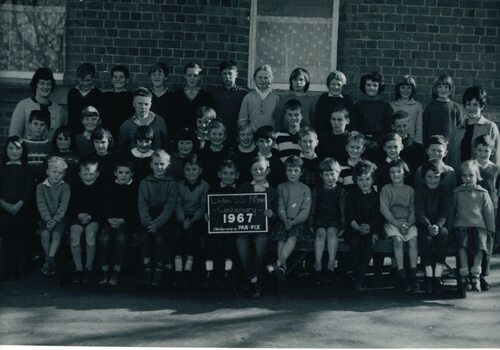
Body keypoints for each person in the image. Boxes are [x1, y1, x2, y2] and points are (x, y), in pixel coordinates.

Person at [451, 160, 495, 297]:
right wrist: (450, 227)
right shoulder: (457, 193)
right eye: (464, 176)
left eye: (471, 175)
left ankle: (475, 274)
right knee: (462, 245)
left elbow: (489, 213)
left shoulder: (483, 193)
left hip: (478, 225)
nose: (468, 178)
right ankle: (464, 273)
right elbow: (451, 212)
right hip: (461, 225)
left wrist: (490, 230)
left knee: (480, 245)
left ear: (477, 176)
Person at [236, 156, 277, 297]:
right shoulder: (244, 187)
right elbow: (235, 207)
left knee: (261, 243)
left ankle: (252, 280)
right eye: (255, 169)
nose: (258, 172)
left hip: (263, 230)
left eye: (261, 169)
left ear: (268, 171)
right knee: (241, 243)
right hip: (245, 228)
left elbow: (277, 214)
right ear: (250, 171)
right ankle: (255, 280)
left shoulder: (272, 190)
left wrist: (271, 214)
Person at [267, 156, 311, 283]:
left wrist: (294, 221)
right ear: (285, 172)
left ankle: (278, 264)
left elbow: (305, 209)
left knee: (292, 237)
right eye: (289, 170)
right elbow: (279, 205)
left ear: (301, 172)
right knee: (281, 238)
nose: (292, 173)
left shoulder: (305, 189)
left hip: (299, 222)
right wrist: (285, 219)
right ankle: (282, 268)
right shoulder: (281, 187)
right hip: (283, 220)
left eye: (296, 170)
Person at [138, 149, 178, 287]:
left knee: (161, 238)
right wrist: (148, 222)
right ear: (151, 164)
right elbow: (142, 204)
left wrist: (158, 223)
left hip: (164, 219)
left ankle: (159, 271)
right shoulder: (145, 182)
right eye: (156, 164)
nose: (159, 167)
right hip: (149, 218)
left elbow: (170, 206)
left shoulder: (171, 183)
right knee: (145, 237)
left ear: (168, 164)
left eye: (162, 164)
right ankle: (147, 270)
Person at [380, 159, 419, 293]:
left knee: (413, 240)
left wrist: (408, 223)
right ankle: (402, 275)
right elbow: (385, 210)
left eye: (398, 171)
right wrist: (397, 224)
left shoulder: (410, 190)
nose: (395, 174)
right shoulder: (386, 189)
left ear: (404, 173)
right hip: (392, 223)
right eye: (392, 172)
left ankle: (413, 276)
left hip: (408, 223)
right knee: (397, 241)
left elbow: (414, 209)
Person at [99, 159, 139, 286]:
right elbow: (104, 206)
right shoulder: (110, 186)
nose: (123, 175)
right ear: (115, 173)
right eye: (120, 172)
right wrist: (109, 218)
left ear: (132, 173)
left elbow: (136, 208)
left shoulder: (135, 188)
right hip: (110, 221)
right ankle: (104, 271)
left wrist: (123, 220)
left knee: (121, 238)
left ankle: (116, 271)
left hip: (127, 222)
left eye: (127, 173)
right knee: (105, 238)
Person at [415, 160, 452, 294]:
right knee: (426, 239)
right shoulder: (420, 191)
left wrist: (438, 225)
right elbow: (419, 212)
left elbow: (445, 212)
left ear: (441, 177)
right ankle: (428, 276)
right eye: (429, 177)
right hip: (424, 224)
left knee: (443, 234)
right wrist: (429, 226)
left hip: (439, 223)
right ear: (424, 176)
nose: (432, 180)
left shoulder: (445, 191)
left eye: (436, 177)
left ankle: (438, 275)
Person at [173, 154, 209, 287]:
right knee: (177, 233)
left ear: (200, 170)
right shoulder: (179, 185)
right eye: (187, 169)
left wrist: (192, 220)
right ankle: (178, 268)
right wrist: (183, 220)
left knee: (192, 234)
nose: (190, 172)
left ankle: (188, 268)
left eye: (194, 169)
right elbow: (178, 204)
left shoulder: (205, 186)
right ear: (183, 170)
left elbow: (203, 206)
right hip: (182, 217)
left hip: (196, 218)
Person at [346, 160, 382, 292]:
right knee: (354, 243)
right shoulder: (352, 195)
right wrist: (358, 227)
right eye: (361, 179)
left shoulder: (377, 196)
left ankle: (359, 276)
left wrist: (369, 227)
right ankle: (357, 272)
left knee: (370, 243)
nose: (364, 182)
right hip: (355, 228)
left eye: (367, 179)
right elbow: (349, 216)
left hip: (372, 229)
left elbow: (379, 215)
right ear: (356, 180)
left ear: (373, 179)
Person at [0, 136, 33, 281]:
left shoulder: (26, 168)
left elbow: (29, 189)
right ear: (5, 150)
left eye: (17, 148)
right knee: (6, 241)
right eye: (10, 148)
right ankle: (6, 269)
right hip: (3, 210)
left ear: (23, 150)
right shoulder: (2, 168)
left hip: (21, 210)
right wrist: (3, 204)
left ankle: (16, 269)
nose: (14, 151)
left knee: (19, 241)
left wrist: (19, 204)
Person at [204, 159, 239, 289]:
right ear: (219, 174)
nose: (228, 176)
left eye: (231, 173)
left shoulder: (241, 191)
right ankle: (209, 271)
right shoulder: (213, 190)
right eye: (225, 173)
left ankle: (228, 271)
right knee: (209, 239)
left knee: (230, 241)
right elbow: (209, 208)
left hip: (233, 228)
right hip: (216, 227)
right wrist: (207, 216)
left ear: (237, 175)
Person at [447, 86, 500, 171]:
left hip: (482, 179)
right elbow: (449, 159)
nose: (471, 108)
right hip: (458, 179)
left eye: (475, 104)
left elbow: (496, 158)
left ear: (482, 106)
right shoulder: (457, 130)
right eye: (468, 104)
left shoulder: (490, 127)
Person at [311, 158, 345, 286]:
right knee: (320, 233)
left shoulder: (340, 191)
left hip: (334, 220)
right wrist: (310, 224)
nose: (330, 177)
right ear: (321, 175)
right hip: (320, 219)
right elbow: (313, 209)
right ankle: (318, 266)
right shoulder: (317, 190)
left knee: (331, 232)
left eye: (333, 174)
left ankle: (331, 265)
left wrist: (343, 226)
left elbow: (342, 210)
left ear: (338, 174)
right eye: (326, 174)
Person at [472, 135, 500, 291]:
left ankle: (482, 275)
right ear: (475, 150)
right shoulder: (470, 166)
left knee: (487, 242)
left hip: (490, 210)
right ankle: (472, 273)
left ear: (492, 151)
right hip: (472, 209)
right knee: (473, 240)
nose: (483, 153)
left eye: (486, 150)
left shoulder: (495, 169)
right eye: (480, 150)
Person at [68, 159, 102, 284]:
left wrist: (91, 217)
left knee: (90, 233)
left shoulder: (101, 188)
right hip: (77, 218)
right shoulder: (74, 187)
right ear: (80, 174)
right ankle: (78, 269)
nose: (88, 177)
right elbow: (70, 206)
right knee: (75, 236)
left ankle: (88, 268)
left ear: (97, 174)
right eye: (85, 174)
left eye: (91, 174)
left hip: (95, 219)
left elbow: (103, 208)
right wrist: (78, 214)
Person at [9, 67, 66, 140]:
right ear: (36, 84)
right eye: (42, 83)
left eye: (48, 84)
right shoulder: (23, 106)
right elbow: (14, 136)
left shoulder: (59, 110)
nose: (45, 87)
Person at [36, 156, 70, 277]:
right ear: (47, 172)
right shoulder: (40, 187)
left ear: (64, 174)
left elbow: (63, 206)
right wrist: (48, 219)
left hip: (60, 219)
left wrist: (55, 220)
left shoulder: (65, 187)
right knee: (45, 234)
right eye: (54, 172)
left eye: (60, 173)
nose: (57, 175)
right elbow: (41, 205)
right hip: (45, 218)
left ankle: (49, 261)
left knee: (56, 234)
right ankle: (50, 261)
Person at [353, 71, 393, 155]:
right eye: (368, 85)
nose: (371, 88)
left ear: (379, 87)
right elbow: (354, 127)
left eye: (375, 85)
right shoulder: (358, 106)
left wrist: (379, 141)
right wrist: (363, 141)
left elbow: (388, 128)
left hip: (380, 144)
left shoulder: (385, 106)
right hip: (361, 144)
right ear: (364, 86)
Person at [118, 87, 168, 152]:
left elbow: (166, 144)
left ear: (150, 105)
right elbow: (121, 149)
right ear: (134, 104)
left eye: (146, 104)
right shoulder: (126, 125)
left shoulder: (160, 121)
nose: (143, 107)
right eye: (140, 103)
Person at [169, 63, 215, 132]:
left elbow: (210, 118)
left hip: (200, 134)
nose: (192, 78)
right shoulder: (177, 95)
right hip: (182, 137)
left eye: (195, 75)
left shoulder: (206, 96)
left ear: (199, 77)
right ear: (185, 76)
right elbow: (173, 118)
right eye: (189, 75)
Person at [211, 60, 248, 143]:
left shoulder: (244, 94)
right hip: (220, 135)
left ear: (236, 74)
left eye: (230, 73)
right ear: (221, 75)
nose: (227, 77)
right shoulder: (215, 93)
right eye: (224, 74)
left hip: (238, 134)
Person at [422, 73, 464, 144]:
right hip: (432, 146)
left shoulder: (455, 107)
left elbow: (460, 129)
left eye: (446, 87)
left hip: (450, 145)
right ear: (435, 89)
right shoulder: (430, 107)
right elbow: (424, 128)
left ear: (450, 89)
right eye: (440, 87)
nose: (443, 90)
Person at [238, 65, 279, 129]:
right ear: (254, 79)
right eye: (259, 77)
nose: (262, 80)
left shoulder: (276, 98)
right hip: (252, 135)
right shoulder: (248, 97)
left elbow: (278, 119)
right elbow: (242, 120)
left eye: (265, 78)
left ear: (270, 79)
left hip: (269, 135)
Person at [67, 63, 103, 134]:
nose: (85, 83)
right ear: (78, 78)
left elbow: (99, 117)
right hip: (75, 130)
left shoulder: (98, 94)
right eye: (82, 80)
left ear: (93, 78)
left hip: (92, 131)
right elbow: (71, 115)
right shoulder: (72, 93)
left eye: (88, 80)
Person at [100, 65, 134, 138]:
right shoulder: (105, 96)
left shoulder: (131, 96)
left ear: (127, 80)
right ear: (111, 79)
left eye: (121, 77)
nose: (118, 79)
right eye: (115, 77)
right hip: (107, 133)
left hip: (125, 133)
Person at [198, 119, 233, 188]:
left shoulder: (230, 154)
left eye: (220, 134)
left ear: (225, 137)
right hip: (205, 187)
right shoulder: (202, 153)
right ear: (208, 136)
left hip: (224, 187)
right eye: (214, 134)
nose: (217, 137)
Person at [390, 75, 423, 145]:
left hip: (411, 143)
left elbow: (419, 127)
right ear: (398, 89)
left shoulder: (417, 106)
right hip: (395, 143)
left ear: (412, 89)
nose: (405, 90)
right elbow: (390, 127)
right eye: (403, 87)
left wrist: (418, 143)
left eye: (408, 88)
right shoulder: (392, 106)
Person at [391, 110, 425, 178]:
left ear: (409, 125)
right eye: (398, 126)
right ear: (393, 126)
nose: (402, 129)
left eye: (404, 125)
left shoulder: (417, 147)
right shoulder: (388, 146)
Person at [23, 110, 51, 184]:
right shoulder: (22, 144)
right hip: (26, 182)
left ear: (46, 127)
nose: (38, 127)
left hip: (43, 183)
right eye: (35, 124)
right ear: (29, 125)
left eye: (42, 124)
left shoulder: (48, 145)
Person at [274, 99, 303, 163]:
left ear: (302, 115)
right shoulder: (278, 136)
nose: (293, 118)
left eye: (296, 114)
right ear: (285, 116)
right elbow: (275, 160)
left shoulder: (306, 136)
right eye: (290, 114)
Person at [234, 120, 258, 185]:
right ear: (238, 136)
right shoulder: (232, 152)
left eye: (249, 134)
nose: (246, 137)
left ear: (253, 135)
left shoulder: (259, 152)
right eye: (242, 134)